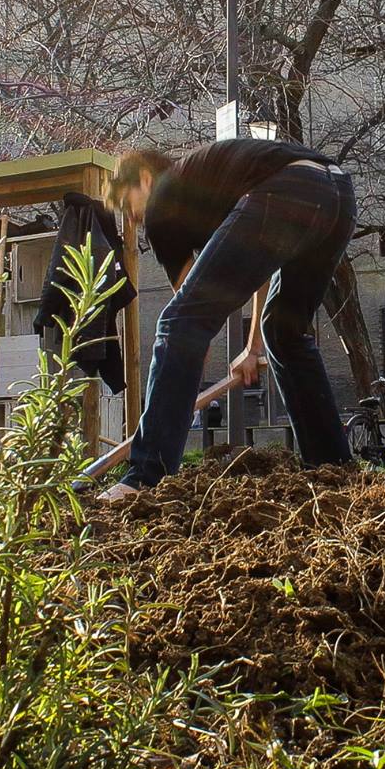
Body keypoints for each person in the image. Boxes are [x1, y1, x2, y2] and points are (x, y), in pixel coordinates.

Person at [99, 138, 357, 500]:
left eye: (127, 205)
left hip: (288, 190)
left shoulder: (163, 202)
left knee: (176, 323)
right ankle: (334, 469)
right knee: (284, 334)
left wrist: (174, 393)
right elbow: (257, 271)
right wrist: (252, 348)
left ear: (144, 179)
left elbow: (188, 324)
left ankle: (145, 477)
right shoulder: (206, 192)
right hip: (336, 193)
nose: (132, 219)